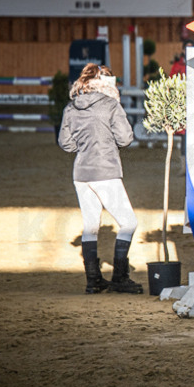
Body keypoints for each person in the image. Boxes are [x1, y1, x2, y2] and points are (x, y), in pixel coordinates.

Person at [58, 63, 143, 294]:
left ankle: (93, 281)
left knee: (90, 227)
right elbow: (125, 138)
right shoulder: (110, 104)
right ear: (106, 83)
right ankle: (119, 277)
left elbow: (65, 143)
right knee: (129, 223)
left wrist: (85, 146)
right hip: (105, 171)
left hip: (81, 173)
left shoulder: (71, 107)